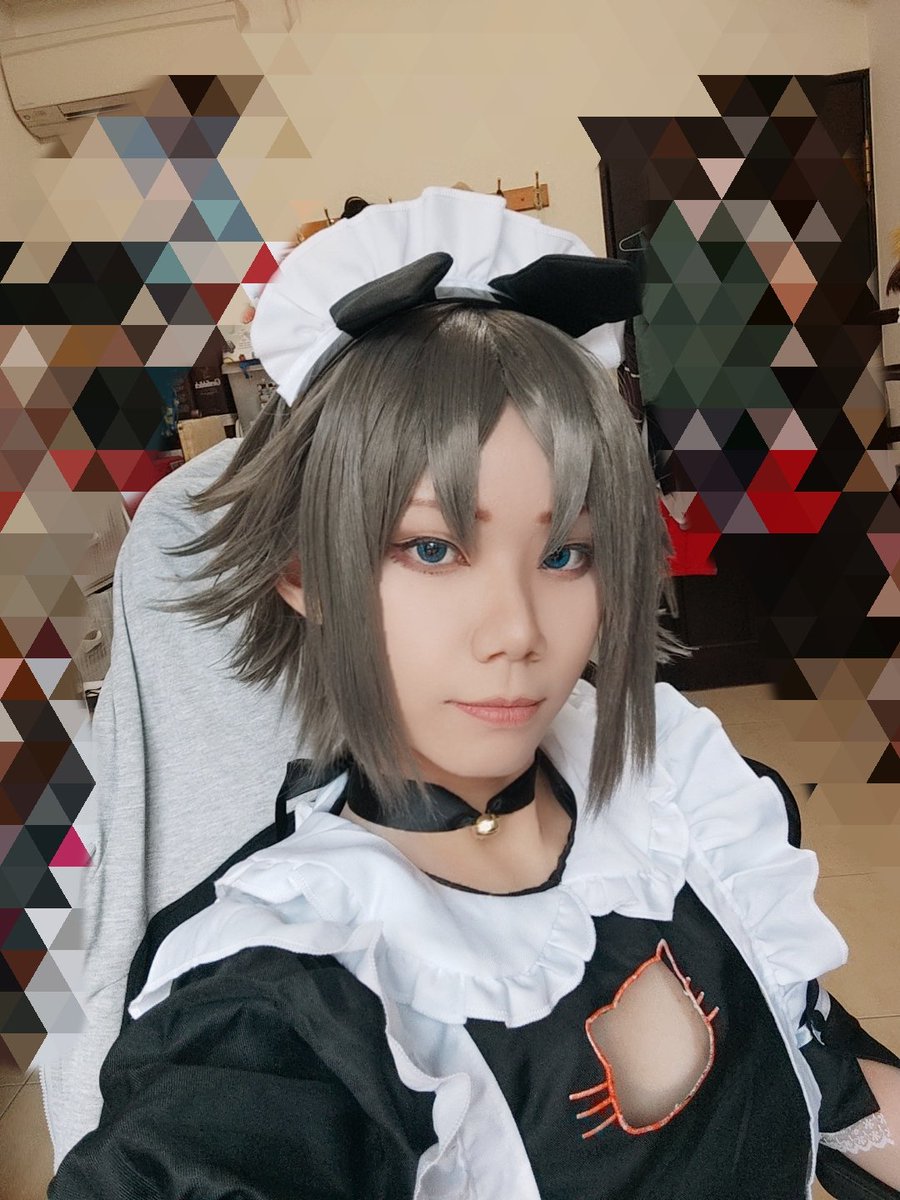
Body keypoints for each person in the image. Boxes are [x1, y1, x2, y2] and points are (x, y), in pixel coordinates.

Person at [49, 187, 899, 1199]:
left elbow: (824, 1072)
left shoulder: (678, 795)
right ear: (304, 571)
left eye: (567, 553)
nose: (517, 632)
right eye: (432, 547)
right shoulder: (292, 987)